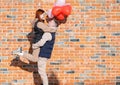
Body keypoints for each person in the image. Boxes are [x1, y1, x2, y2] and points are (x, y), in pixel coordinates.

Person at [12, 8, 67, 85]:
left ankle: (20, 52)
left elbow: (35, 22)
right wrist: (55, 29)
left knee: (35, 59)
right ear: (38, 15)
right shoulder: (40, 24)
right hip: (37, 43)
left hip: (36, 42)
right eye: (42, 15)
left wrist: (46, 14)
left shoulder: (37, 22)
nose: (44, 16)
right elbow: (47, 28)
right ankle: (20, 52)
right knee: (36, 61)